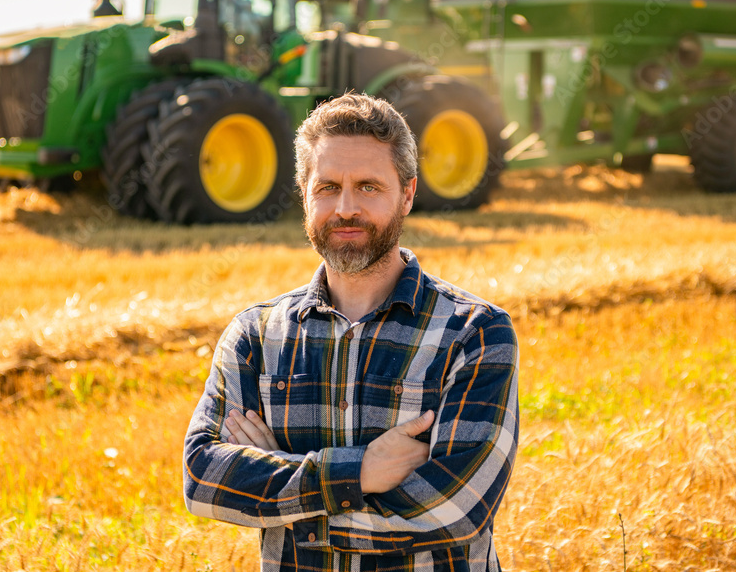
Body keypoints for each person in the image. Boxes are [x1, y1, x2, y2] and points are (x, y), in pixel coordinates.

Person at [183, 92, 519, 571]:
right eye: (327, 188)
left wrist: (284, 495)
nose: (345, 208)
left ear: (407, 192)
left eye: (368, 187)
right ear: (303, 193)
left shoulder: (475, 334)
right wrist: (361, 472)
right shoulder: (255, 335)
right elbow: (203, 480)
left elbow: (455, 511)